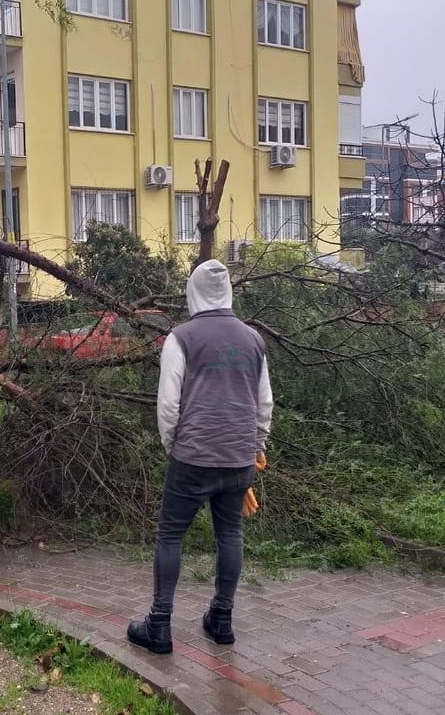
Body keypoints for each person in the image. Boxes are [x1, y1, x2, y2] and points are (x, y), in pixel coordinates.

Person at [127, 259, 273, 654]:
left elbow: (168, 404)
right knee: (230, 534)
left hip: (192, 456)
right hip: (239, 457)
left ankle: (159, 625)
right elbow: (264, 403)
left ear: (192, 292)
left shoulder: (182, 337)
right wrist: (254, 445)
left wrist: (173, 445)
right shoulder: (253, 339)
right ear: (227, 293)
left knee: (171, 534)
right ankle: (221, 619)